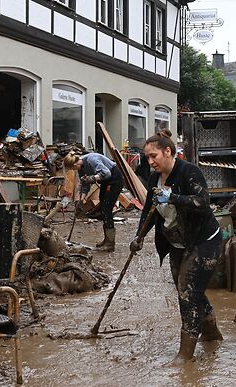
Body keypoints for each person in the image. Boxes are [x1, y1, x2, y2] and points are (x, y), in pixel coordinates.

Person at [129, 130, 223, 363]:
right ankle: (212, 336)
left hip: (204, 240)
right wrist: (139, 236)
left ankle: (185, 355)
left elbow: (203, 203)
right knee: (190, 290)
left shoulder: (188, 172)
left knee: (187, 294)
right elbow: (149, 211)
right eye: (147, 158)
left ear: (168, 152)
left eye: (154, 156)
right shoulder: (154, 179)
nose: (150, 162)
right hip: (177, 243)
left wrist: (173, 197)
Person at [63, 152, 124, 252]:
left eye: (73, 169)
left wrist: (93, 178)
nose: (75, 170)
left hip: (114, 179)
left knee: (106, 209)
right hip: (105, 181)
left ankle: (110, 244)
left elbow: (106, 173)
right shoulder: (81, 168)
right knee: (103, 208)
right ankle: (107, 240)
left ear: (75, 165)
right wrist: (81, 200)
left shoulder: (92, 159)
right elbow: (85, 185)